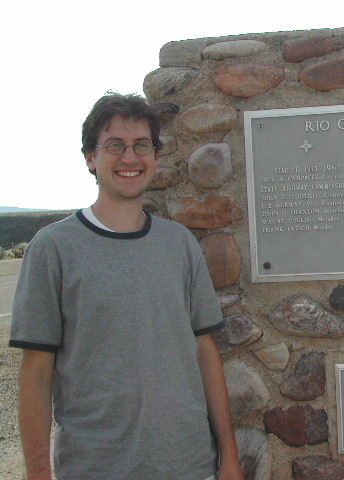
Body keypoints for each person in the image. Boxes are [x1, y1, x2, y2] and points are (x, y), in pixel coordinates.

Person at [9, 93, 244, 480]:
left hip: (188, 464)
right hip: (94, 467)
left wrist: (229, 458)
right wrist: (37, 473)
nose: (130, 158)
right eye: (114, 145)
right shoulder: (53, 248)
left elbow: (205, 352)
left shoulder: (179, 243)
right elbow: (36, 372)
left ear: (154, 155)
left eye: (141, 146)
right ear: (90, 158)